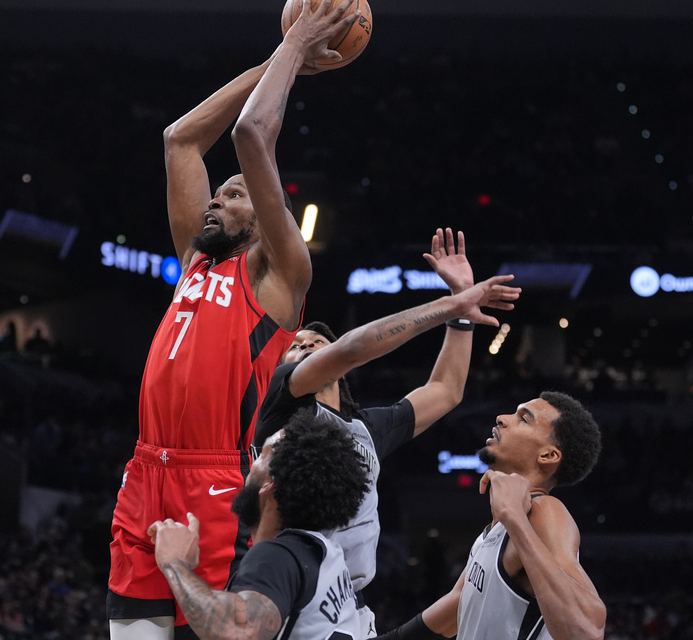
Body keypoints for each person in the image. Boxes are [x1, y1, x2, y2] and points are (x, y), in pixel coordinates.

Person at [107, 0, 362, 639]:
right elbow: (180, 140)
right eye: (217, 193)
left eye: (237, 193)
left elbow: (254, 136)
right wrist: (284, 54)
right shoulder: (196, 261)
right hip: (145, 472)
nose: (217, 199)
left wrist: (295, 53)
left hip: (215, 480)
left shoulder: (280, 278)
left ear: (268, 217)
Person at [253, 228, 520, 638]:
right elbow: (353, 348)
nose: (306, 347)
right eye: (297, 345)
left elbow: (445, 391)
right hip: (288, 583)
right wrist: (451, 304)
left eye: (317, 342)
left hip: (348, 599)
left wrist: (463, 313)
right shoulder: (285, 404)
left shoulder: (366, 429)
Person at [374, 391, 606, 640]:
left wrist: (514, 518)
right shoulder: (497, 529)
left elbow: (587, 631)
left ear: (548, 456)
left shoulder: (544, 511)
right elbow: (456, 607)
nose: (501, 418)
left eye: (524, 419)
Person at [151, 412, 369, 640]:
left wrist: (175, 563)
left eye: (260, 456)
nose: (249, 467)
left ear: (269, 483)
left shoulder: (277, 555)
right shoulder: (328, 559)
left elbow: (238, 630)